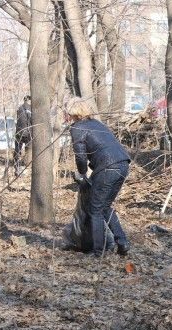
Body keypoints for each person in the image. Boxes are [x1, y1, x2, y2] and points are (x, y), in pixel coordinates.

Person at [66, 95, 132, 257]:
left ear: (73, 113)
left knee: (95, 209)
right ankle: (122, 243)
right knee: (105, 207)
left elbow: (80, 156)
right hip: (123, 164)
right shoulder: (96, 123)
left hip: (107, 167)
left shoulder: (77, 128)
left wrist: (82, 173)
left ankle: (98, 252)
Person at [14, 95, 32, 174]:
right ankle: (26, 166)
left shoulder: (19, 108)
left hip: (18, 132)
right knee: (29, 149)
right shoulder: (30, 109)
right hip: (28, 132)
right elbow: (31, 120)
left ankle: (17, 167)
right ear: (29, 100)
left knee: (17, 150)